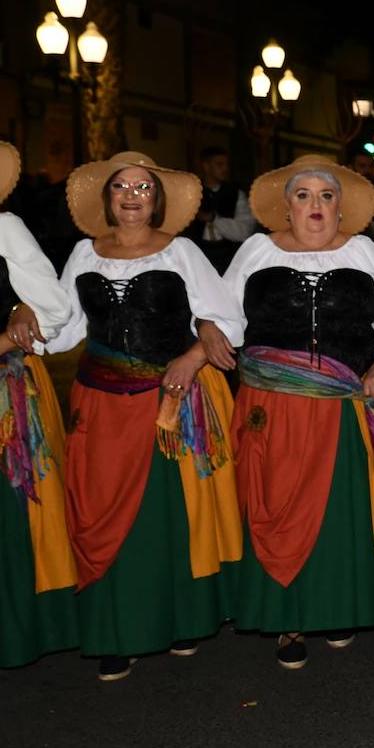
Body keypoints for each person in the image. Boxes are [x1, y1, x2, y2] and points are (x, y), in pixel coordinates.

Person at [47, 152, 243, 682]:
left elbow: (225, 316)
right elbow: (62, 327)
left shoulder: (180, 252)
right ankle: (118, 631)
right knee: (103, 511)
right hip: (101, 402)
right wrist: (23, 316)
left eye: (143, 187)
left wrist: (194, 352)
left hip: (168, 400)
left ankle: (181, 621)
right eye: (120, 187)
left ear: (156, 200)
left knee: (167, 517)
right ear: (107, 199)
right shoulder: (84, 255)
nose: (132, 195)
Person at [224, 155, 374, 669]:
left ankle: (338, 608)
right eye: (304, 195)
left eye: (327, 196)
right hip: (272, 403)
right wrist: (202, 336)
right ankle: (287, 618)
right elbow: (220, 316)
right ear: (286, 207)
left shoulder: (362, 252)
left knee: (340, 514)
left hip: (342, 404)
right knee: (276, 507)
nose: (316, 205)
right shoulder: (255, 250)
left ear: (341, 208)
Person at [0, 138, 79, 670]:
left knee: (1, 518)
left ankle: (8, 633)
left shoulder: (4, 229)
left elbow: (52, 305)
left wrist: (2, 335)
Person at [186, 146, 255, 272]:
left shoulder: (236, 194)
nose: (226, 169)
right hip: (197, 259)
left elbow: (245, 231)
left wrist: (213, 219)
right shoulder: (191, 194)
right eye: (219, 164)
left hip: (230, 259)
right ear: (206, 166)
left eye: (226, 164)